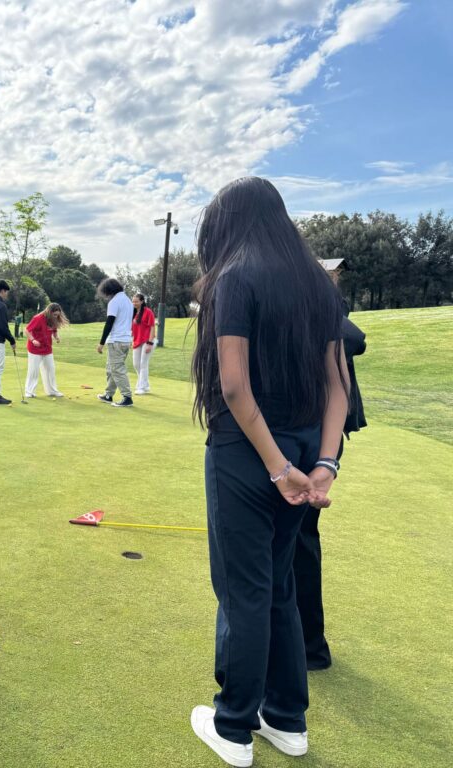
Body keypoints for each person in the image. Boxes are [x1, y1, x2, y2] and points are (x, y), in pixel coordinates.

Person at [189, 177, 348, 767]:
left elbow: (233, 385)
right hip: (303, 449)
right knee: (279, 584)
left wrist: (278, 468)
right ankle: (285, 718)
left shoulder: (234, 276)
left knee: (245, 589)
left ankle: (233, 726)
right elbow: (338, 385)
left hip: (247, 452)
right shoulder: (318, 282)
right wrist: (323, 464)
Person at [293, 314, 367, 671]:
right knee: (295, 542)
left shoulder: (320, 308)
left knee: (299, 543)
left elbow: (355, 337)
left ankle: (309, 648)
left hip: (318, 440)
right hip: (309, 435)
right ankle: (303, 644)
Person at [96, 278, 133, 407]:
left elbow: (109, 322)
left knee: (117, 369)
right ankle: (108, 395)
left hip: (116, 340)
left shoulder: (114, 301)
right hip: (125, 340)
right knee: (111, 368)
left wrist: (101, 343)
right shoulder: (128, 300)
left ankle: (127, 397)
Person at [24, 303, 68, 398]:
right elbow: (27, 330)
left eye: (57, 315)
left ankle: (52, 391)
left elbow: (54, 331)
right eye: (54, 314)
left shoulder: (53, 319)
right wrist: (33, 340)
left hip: (47, 348)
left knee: (50, 369)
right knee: (33, 371)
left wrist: (57, 337)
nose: (56, 317)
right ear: (49, 312)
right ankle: (29, 392)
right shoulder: (38, 318)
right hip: (35, 349)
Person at [131, 292, 156, 394]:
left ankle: (141, 387)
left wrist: (150, 343)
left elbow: (152, 327)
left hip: (147, 340)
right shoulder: (133, 313)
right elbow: (132, 329)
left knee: (143, 364)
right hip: (137, 341)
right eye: (133, 301)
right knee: (136, 364)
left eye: (136, 301)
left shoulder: (148, 312)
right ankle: (145, 384)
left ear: (142, 301)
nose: (134, 303)